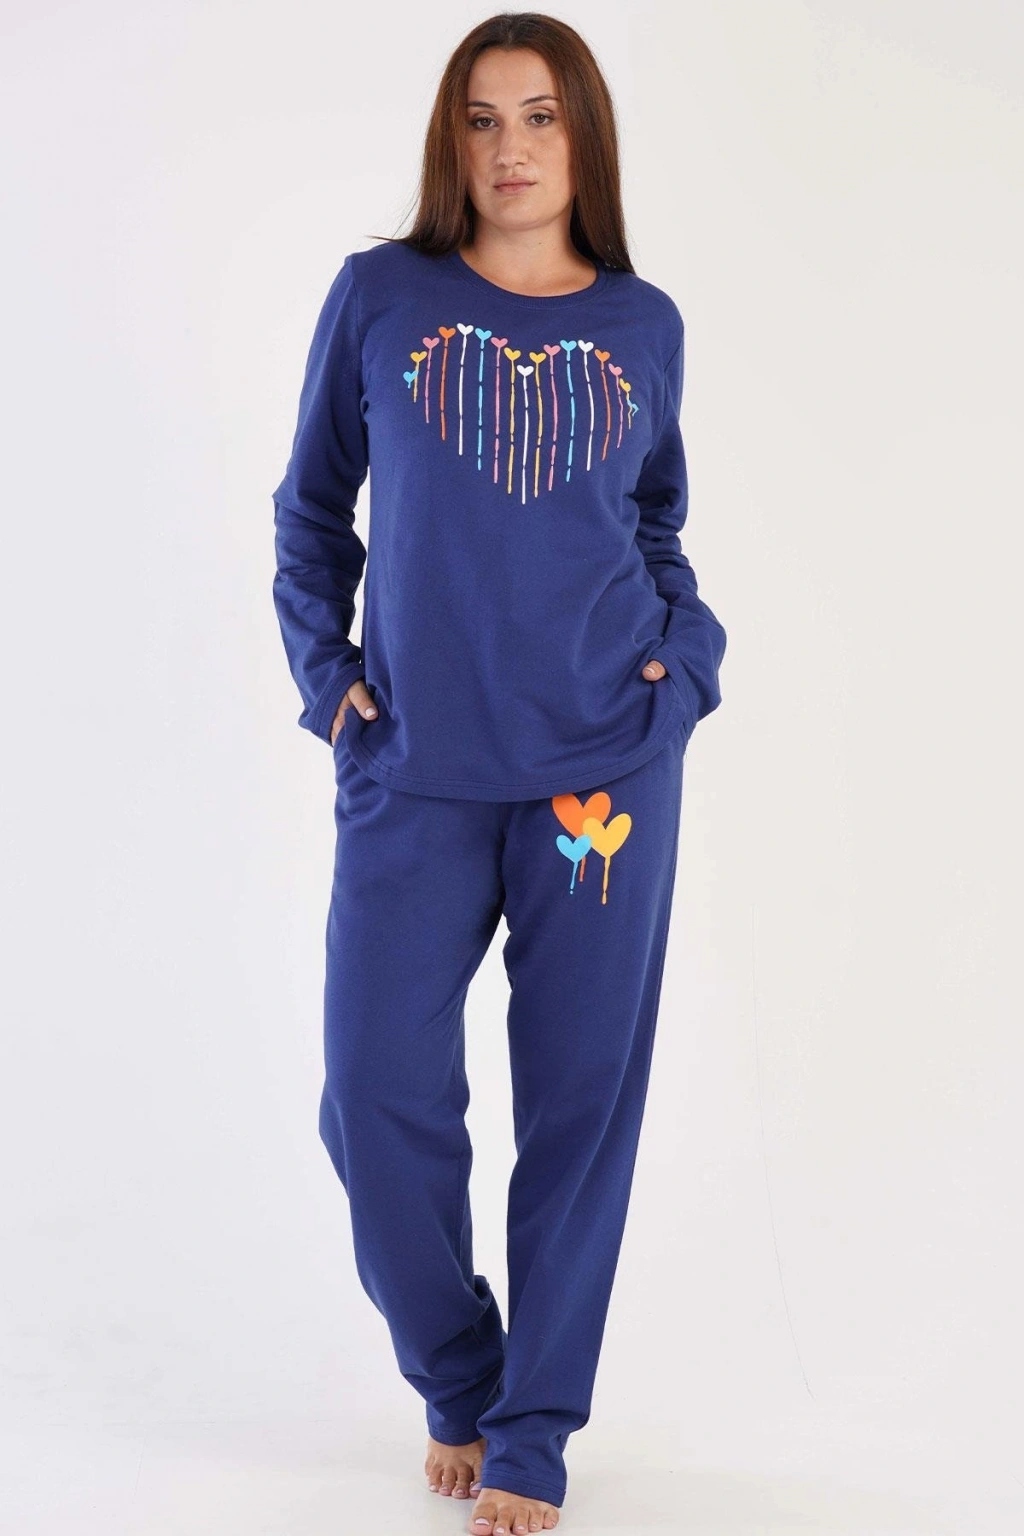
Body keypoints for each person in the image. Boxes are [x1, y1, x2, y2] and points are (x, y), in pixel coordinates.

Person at [271, 13, 727, 1535]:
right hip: (414, 770)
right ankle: (465, 1373)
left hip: (602, 775)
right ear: (448, 143)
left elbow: (652, 524)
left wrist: (686, 663)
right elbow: (311, 515)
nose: (512, 148)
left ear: (585, 136)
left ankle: (533, 1432)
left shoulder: (645, 323)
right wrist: (331, 683)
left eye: (540, 116)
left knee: (580, 1106)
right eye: (481, 120)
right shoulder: (381, 298)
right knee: (372, 1095)